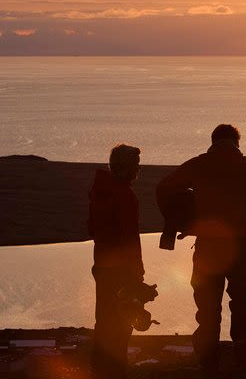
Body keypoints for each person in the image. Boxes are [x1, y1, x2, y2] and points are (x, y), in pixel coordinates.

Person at [156, 124, 246, 372]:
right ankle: (241, 349)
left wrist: (177, 218)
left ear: (213, 141)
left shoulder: (199, 164)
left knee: (207, 303)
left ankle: (209, 357)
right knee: (242, 300)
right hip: (240, 244)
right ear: (236, 142)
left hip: (208, 245)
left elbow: (164, 187)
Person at [88, 144, 144, 379]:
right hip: (121, 270)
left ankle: (99, 370)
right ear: (128, 168)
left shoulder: (101, 191)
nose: (139, 168)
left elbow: (92, 228)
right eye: (136, 164)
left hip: (101, 265)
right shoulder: (124, 195)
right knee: (121, 325)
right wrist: (138, 273)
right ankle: (114, 371)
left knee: (104, 321)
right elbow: (130, 238)